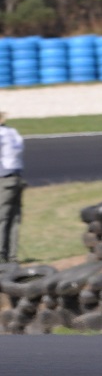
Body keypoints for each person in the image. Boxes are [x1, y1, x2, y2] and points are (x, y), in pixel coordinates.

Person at [0, 111, 25, 263]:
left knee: (1, 218)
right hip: (16, 177)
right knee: (14, 218)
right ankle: (12, 256)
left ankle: (1, 257)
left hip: (3, 178)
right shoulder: (12, 132)